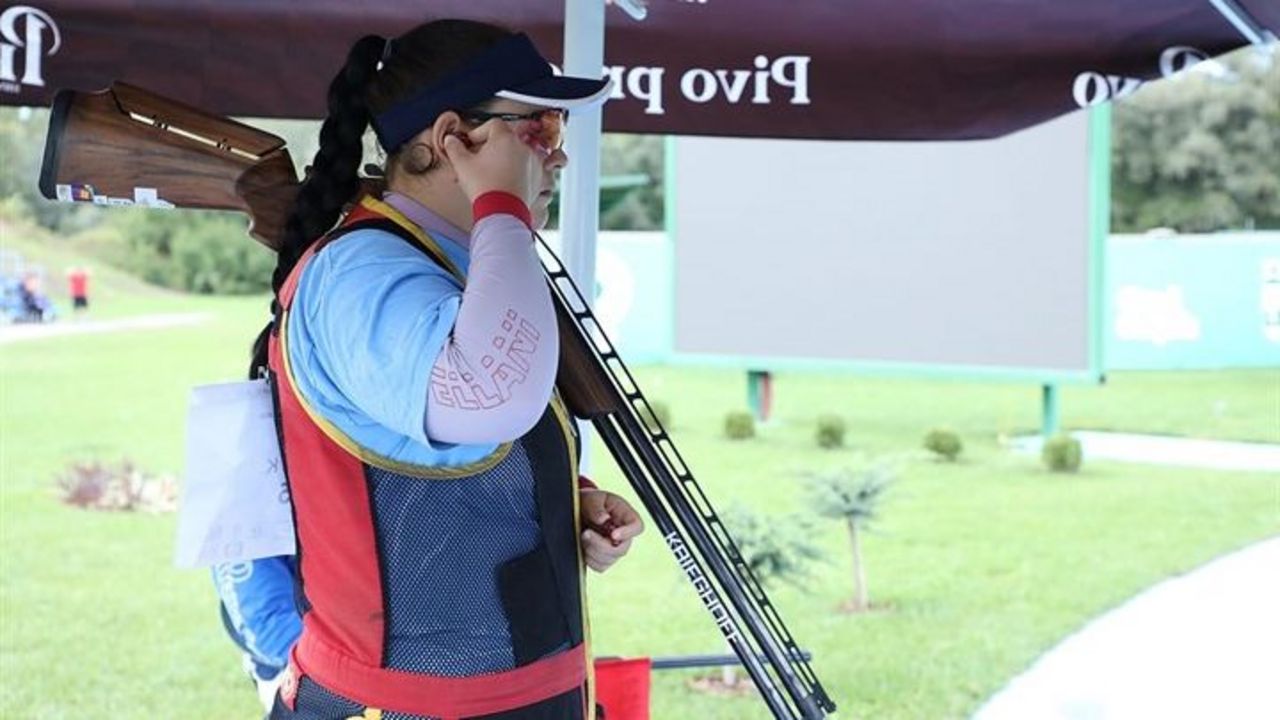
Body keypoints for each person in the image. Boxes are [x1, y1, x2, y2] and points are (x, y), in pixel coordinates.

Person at [255, 19, 644, 720]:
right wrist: (502, 204)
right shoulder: (360, 272)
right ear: (450, 140)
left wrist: (558, 500)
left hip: (513, 694)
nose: (558, 158)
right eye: (540, 130)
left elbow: (450, 448)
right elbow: (488, 398)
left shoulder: (465, 261)